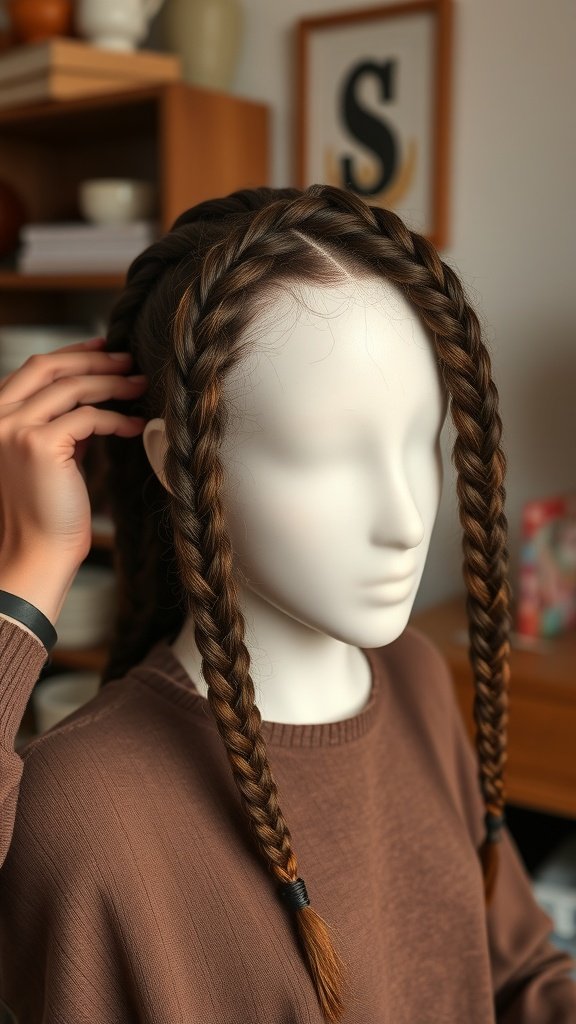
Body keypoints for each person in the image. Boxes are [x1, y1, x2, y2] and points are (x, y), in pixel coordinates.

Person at [0, 184, 575, 1022]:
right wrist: (30, 570)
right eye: (330, 454)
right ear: (183, 466)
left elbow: (518, 972)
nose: (408, 519)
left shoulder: (411, 674)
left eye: (421, 441)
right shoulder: (85, 804)